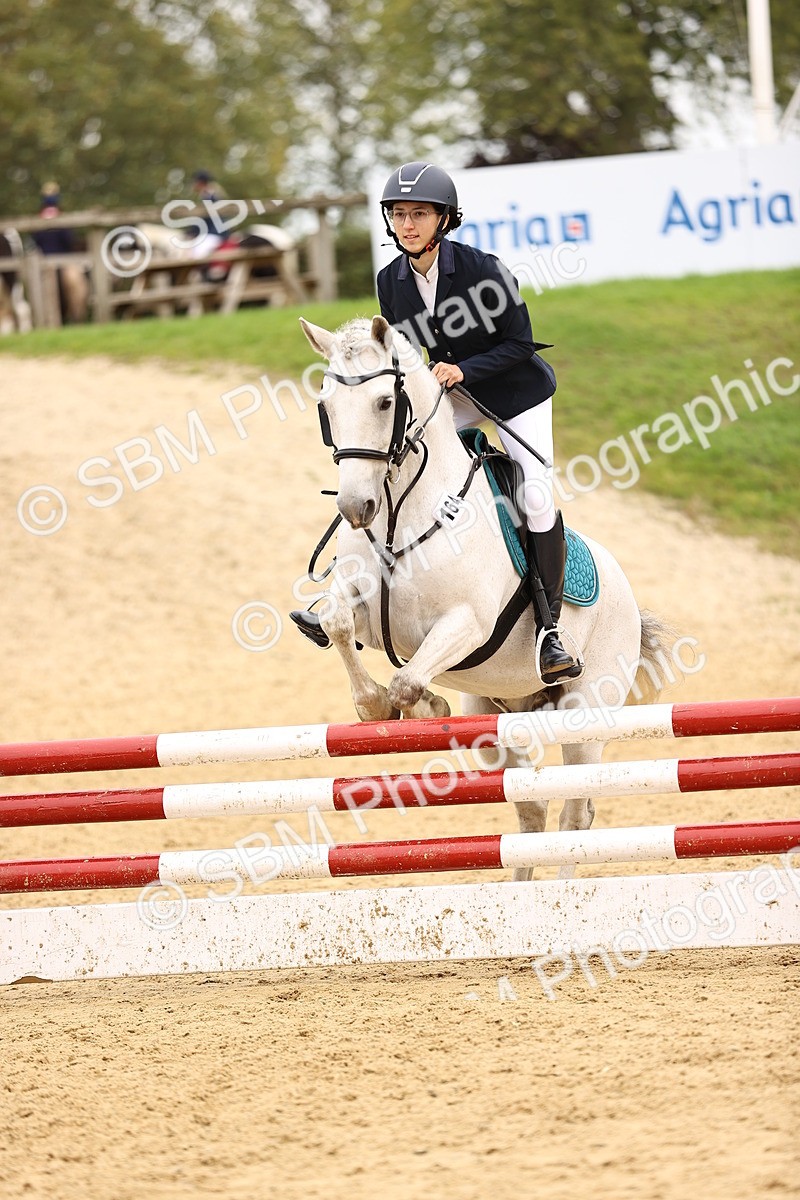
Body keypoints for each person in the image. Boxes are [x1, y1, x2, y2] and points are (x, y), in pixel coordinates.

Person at [291, 161, 580, 685]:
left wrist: (466, 368)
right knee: (390, 460)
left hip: (516, 391)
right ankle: (345, 590)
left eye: (419, 214)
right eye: (399, 215)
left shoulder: (484, 270)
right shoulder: (391, 281)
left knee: (535, 494)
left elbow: (520, 344)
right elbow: (400, 354)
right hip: (454, 393)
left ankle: (549, 629)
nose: (408, 224)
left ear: (444, 219)